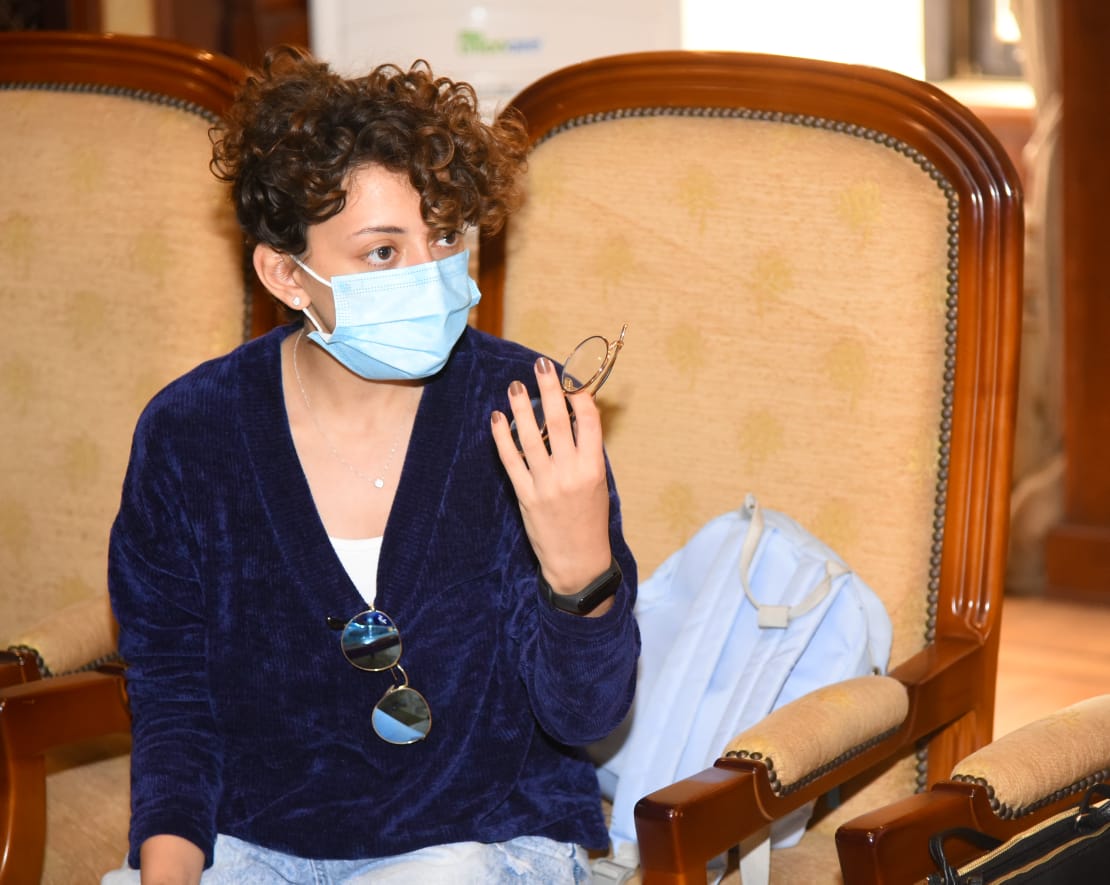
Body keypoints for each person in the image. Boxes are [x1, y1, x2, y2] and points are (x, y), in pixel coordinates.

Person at [105, 45, 639, 884]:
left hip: (483, 839)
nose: (431, 276)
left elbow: (587, 716)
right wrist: (167, 873)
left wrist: (582, 573)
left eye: (444, 236)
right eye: (383, 253)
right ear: (286, 274)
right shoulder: (190, 433)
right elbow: (174, 700)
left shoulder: (527, 413)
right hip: (255, 842)